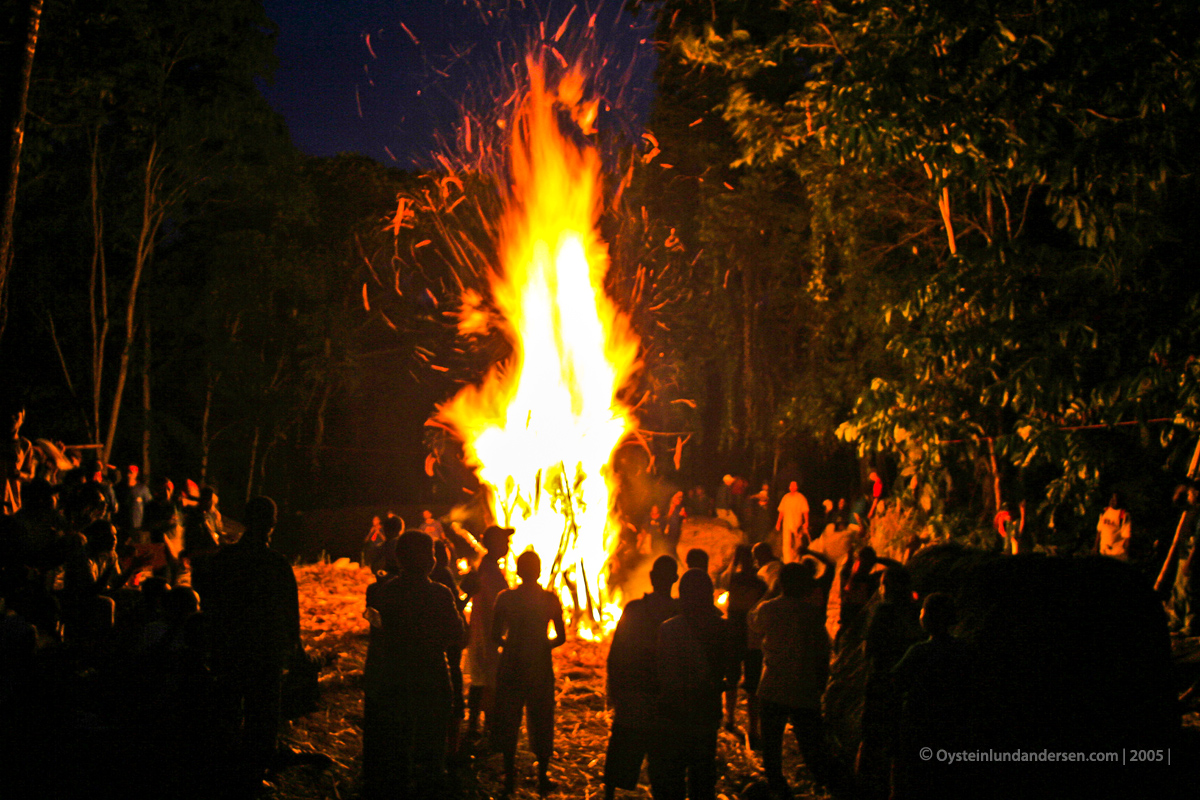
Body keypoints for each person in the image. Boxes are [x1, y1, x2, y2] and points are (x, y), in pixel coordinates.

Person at [195, 495, 299, 793]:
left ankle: (221, 770)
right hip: (264, 650)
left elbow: (209, 601)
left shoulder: (223, 559)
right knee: (262, 715)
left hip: (229, 645)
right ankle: (252, 776)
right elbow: (290, 613)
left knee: (226, 708)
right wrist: (292, 648)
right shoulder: (276, 564)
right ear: (272, 525)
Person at [362, 530, 464, 799]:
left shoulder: (385, 593)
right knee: (431, 750)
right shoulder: (440, 594)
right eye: (430, 554)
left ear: (398, 558)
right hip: (432, 679)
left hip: (396, 679)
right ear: (430, 561)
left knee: (399, 749)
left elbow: (379, 638)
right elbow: (458, 636)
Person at [749, 558, 836, 794]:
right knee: (811, 745)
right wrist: (821, 683)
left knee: (771, 748)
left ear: (781, 583)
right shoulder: (812, 614)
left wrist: (769, 592)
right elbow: (822, 650)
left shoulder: (769, 608)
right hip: (803, 687)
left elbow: (753, 623)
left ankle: (778, 788)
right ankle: (830, 785)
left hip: (773, 686)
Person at [491, 550, 566, 795]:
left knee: (509, 719)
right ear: (540, 571)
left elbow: (494, 636)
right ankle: (542, 776)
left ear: (518, 571)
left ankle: (509, 776)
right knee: (542, 719)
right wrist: (543, 646)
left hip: (511, 665)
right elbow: (561, 637)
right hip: (540, 666)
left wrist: (510, 646)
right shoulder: (550, 599)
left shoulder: (505, 598)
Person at [605, 556, 680, 800]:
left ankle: (609, 795)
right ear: (675, 580)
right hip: (664, 697)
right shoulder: (678, 614)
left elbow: (616, 651)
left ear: (651, 578)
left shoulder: (635, 609)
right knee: (662, 761)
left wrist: (614, 687)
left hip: (634, 692)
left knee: (623, 749)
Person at [649, 569, 728, 800]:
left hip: (674, 716)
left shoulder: (669, 629)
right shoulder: (722, 629)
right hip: (706, 714)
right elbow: (729, 672)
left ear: (682, 596)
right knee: (702, 779)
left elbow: (662, 672)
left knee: (671, 780)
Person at [890, 593, 972, 799]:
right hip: (952, 726)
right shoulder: (963, 650)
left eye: (922, 611)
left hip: (919, 725)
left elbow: (895, 682)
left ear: (927, 618)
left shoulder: (919, 652)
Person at [460, 525, 512, 739]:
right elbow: (496, 604)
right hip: (487, 633)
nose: (508, 546)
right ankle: (484, 724)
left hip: (485, 632)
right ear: (494, 544)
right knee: (487, 679)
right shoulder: (489, 571)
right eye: (505, 541)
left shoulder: (489, 567)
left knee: (482, 678)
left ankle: (477, 723)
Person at [722, 545, 767, 746]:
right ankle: (753, 728)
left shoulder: (731, 579)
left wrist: (735, 560)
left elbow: (725, 578)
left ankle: (729, 719)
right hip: (753, 638)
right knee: (752, 685)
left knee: (731, 678)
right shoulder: (759, 583)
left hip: (735, 635)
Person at [2, 397, 35, 516]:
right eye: (9, 415)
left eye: (16, 416)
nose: (12, 419)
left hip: (12, 505)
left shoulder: (25, 445)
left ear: (22, 419)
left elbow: (29, 476)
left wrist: (18, 474)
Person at [775, 481, 809, 562]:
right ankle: (787, 561)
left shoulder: (801, 497)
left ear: (797, 487)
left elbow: (805, 511)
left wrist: (806, 522)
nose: (792, 487)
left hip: (797, 524)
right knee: (786, 543)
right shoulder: (785, 497)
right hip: (787, 523)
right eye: (791, 486)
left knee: (798, 543)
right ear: (789, 487)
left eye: (794, 486)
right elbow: (781, 511)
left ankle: (797, 560)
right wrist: (778, 522)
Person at [1094, 492, 1131, 560]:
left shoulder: (1124, 515)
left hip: (1117, 554)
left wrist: (1126, 554)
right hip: (1103, 552)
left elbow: (1127, 537)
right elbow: (1099, 531)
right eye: (1111, 498)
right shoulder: (1104, 511)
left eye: (1115, 499)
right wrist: (1095, 547)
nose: (1112, 501)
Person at [663, 491, 686, 561]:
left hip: (675, 528)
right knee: (667, 544)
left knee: (672, 545)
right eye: (677, 497)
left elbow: (682, 518)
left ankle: (674, 559)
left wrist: (683, 515)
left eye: (680, 497)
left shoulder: (680, 508)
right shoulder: (668, 506)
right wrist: (666, 526)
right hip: (668, 528)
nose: (678, 499)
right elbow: (666, 517)